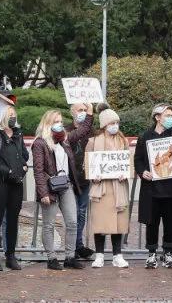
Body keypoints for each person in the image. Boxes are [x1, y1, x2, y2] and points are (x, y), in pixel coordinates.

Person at [135, 103, 172, 268]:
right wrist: (142, 172)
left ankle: (168, 253)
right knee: (152, 222)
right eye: (166, 115)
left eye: (171, 115)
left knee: (171, 223)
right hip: (152, 189)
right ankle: (151, 253)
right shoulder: (145, 136)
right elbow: (138, 159)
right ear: (157, 117)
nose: (170, 118)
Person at [33, 110, 84, 270]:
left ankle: (70, 256)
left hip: (66, 185)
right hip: (50, 188)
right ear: (48, 123)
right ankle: (51, 258)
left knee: (72, 222)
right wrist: (43, 193)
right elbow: (38, 170)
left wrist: (88, 112)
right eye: (56, 121)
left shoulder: (64, 140)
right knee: (48, 224)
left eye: (61, 121)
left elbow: (83, 130)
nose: (60, 124)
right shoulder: (40, 143)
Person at [86, 109, 131, 268]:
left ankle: (117, 255)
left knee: (118, 222)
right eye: (112, 123)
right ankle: (99, 255)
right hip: (102, 187)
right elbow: (88, 164)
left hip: (118, 187)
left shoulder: (123, 141)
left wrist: (125, 173)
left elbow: (127, 162)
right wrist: (93, 174)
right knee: (100, 222)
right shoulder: (93, 141)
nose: (115, 126)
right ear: (104, 124)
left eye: (117, 123)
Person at [0, 105, 28, 271]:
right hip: (1, 181)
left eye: (14, 114)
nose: (13, 117)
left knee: (13, 220)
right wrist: (7, 171)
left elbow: (24, 154)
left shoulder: (18, 135)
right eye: (10, 115)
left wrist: (23, 166)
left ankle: (10, 254)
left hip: (16, 183)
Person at [66, 102, 96, 260]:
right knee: (73, 214)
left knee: (82, 212)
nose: (83, 112)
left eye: (85, 110)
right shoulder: (66, 130)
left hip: (85, 179)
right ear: (72, 112)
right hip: (70, 180)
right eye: (80, 110)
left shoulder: (91, 131)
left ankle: (78, 245)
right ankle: (73, 247)